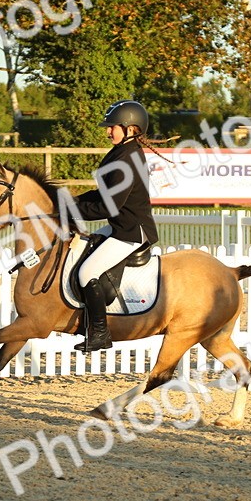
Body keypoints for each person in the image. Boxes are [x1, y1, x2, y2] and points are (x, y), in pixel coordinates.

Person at [70, 100, 160, 352]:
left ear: (130, 129)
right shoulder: (122, 151)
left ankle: (100, 333)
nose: (108, 131)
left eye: (113, 127)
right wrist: (71, 201)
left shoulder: (128, 159)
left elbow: (107, 207)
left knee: (86, 272)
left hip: (130, 232)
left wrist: (72, 210)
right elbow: (102, 194)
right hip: (121, 226)